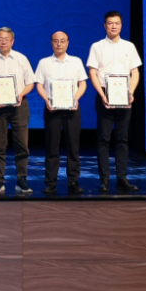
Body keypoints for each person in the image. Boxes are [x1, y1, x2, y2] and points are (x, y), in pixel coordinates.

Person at [86, 11, 143, 194]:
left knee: (123, 139)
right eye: (110, 23)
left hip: (124, 95)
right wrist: (101, 94)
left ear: (121, 25)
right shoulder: (97, 46)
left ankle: (122, 178)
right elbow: (92, 72)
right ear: (105, 26)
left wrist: (131, 92)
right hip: (105, 95)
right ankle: (104, 179)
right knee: (103, 139)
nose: (113, 26)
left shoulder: (129, 46)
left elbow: (135, 72)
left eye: (117, 23)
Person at [0, 27, 35, 197]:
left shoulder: (21, 58)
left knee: (22, 145)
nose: (3, 41)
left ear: (12, 41)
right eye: (0, 39)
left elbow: (30, 82)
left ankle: (22, 179)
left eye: (6, 39)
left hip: (19, 106)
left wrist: (20, 94)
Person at [35, 31, 87, 196]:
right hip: (52, 109)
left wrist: (75, 99)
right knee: (52, 147)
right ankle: (51, 182)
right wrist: (47, 100)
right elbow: (39, 84)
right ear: (51, 43)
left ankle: (73, 181)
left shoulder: (76, 61)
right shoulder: (44, 63)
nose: (59, 44)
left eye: (62, 41)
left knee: (73, 146)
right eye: (56, 41)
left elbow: (82, 84)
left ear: (67, 43)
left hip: (72, 109)